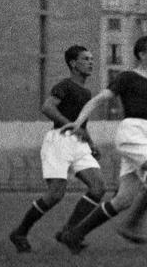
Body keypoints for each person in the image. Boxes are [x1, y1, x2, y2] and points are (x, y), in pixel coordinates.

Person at [59, 35, 147, 249]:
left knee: (124, 200)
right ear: (141, 55)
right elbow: (98, 99)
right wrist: (78, 122)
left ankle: (74, 234)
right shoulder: (128, 77)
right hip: (131, 134)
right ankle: (132, 225)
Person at [9, 45, 107, 253]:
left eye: (91, 58)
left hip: (78, 144)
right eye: (85, 59)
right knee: (55, 194)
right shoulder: (65, 85)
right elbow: (47, 107)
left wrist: (91, 143)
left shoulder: (86, 91)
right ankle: (20, 232)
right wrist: (69, 124)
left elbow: (82, 124)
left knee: (98, 187)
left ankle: (68, 232)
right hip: (59, 141)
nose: (91, 62)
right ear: (73, 63)